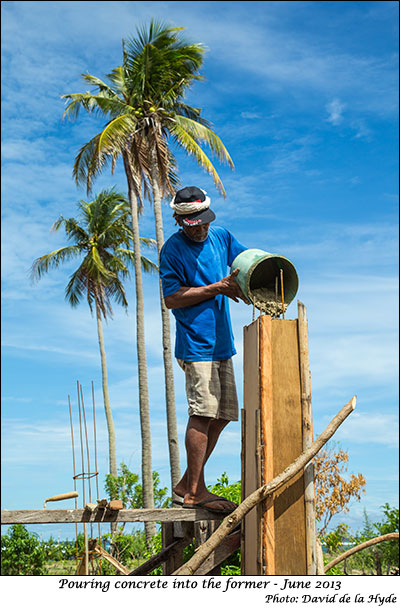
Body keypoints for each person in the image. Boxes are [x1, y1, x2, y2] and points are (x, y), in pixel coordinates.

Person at [159, 185, 249, 515]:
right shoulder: (172, 251)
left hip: (222, 343)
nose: (201, 229)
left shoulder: (221, 237)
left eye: (205, 222)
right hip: (196, 345)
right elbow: (171, 298)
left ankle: (187, 484)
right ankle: (195, 491)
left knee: (223, 414)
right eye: (193, 224)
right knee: (202, 411)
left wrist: (262, 271)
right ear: (180, 221)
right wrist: (217, 288)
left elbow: (245, 261)